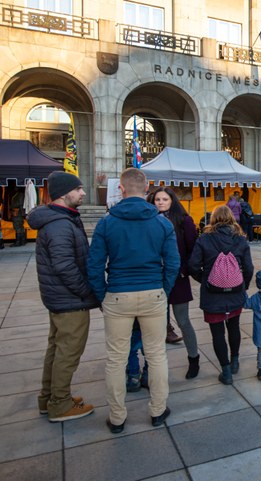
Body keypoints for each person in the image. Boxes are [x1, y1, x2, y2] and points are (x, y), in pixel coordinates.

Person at [87, 168, 180, 434]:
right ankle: (158, 410)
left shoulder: (107, 222)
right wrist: (163, 289)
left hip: (117, 293)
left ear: (121, 189)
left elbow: (94, 265)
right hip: (152, 292)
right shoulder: (162, 223)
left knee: (116, 359)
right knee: (157, 354)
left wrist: (102, 294)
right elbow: (173, 263)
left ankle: (117, 417)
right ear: (148, 188)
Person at [27, 172, 99, 422]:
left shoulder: (60, 219)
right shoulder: (59, 224)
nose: (83, 193)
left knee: (56, 350)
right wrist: (86, 291)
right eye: (78, 189)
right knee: (68, 353)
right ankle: (59, 404)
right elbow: (65, 266)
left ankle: (50, 398)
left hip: (59, 298)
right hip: (69, 300)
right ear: (63, 193)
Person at [189, 205, 254, 384]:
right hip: (235, 293)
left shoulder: (204, 239)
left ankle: (226, 372)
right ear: (232, 219)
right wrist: (243, 286)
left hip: (212, 295)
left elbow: (193, 265)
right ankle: (234, 361)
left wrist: (205, 279)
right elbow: (249, 268)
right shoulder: (241, 240)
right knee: (234, 327)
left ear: (213, 219)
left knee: (217, 333)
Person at [147, 186, 200, 378]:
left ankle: (194, 359)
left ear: (172, 201)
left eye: (164, 199)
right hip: (154, 279)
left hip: (178, 277)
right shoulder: (148, 221)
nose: (160, 202)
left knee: (183, 320)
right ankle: (152, 368)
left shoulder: (183, 221)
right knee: (154, 325)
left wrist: (185, 270)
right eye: (157, 200)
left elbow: (193, 249)